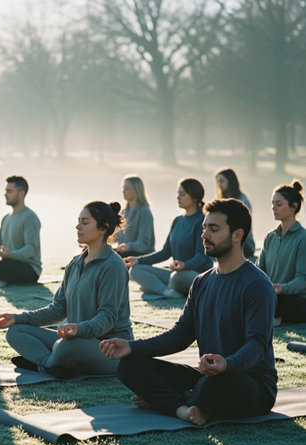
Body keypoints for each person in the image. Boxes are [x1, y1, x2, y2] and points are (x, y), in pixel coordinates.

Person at [100, 198, 277, 426]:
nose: (204, 235)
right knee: (129, 366)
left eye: (214, 229)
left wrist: (227, 364)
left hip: (248, 382)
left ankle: (172, 400)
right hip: (209, 375)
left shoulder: (257, 285)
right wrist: (132, 347)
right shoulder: (202, 282)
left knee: (212, 386)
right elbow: (180, 336)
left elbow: (257, 345)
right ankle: (184, 409)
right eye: (204, 228)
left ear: (237, 235)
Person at [0, 201, 134, 379]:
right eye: (78, 221)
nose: (77, 226)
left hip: (110, 350)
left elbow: (108, 317)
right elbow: (58, 309)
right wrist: (17, 318)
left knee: (66, 346)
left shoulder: (113, 266)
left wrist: (78, 329)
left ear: (103, 228)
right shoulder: (75, 264)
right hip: (75, 339)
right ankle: (51, 364)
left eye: (85, 222)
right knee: (16, 331)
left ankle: (46, 364)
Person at [125, 178, 212, 298]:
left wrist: (185, 265)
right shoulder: (177, 221)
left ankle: (158, 288)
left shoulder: (201, 221)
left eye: (182, 194)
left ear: (195, 198)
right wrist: (138, 260)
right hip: (176, 272)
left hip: (196, 274)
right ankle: (167, 292)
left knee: (177, 277)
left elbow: (201, 256)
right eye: (178, 194)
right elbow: (165, 252)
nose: (178, 197)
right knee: (136, 270)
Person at [0, 175, 41, 287]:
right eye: (5, 191)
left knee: (5, 264)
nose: (5, 194)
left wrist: (11, 254)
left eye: (9, 191)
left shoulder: (29, 217)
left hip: (28, 269)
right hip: (8, 263)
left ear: (21, 194)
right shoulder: (6, 218)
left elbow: (31, 248)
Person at [257, 180, 306, 325]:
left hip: (294, 299)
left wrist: (282, 288)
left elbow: (302, 280)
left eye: (278, 204)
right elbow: (259, 270)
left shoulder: (303, 238)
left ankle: (274, 318)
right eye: (272, 203)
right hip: (271, 296)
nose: (273, 208)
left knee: (279, 301)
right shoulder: (270, 237)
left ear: (293, 207)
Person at [215, 168, 256, 258]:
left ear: (230, 181)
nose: (219, 184)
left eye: (222, 181)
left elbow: (240, 225)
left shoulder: (242, 200)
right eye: (218, 181)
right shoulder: (221, 200)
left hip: (244, 244)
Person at [115, 175, 155, 257]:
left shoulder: (144, 212)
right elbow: (116, 237)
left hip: (138, 258)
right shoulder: (124, 212)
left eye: (127, 189)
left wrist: (128, 246)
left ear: (136, 190)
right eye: (123, 188)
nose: (123, 191)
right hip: (123, 255)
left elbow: (144, 244)